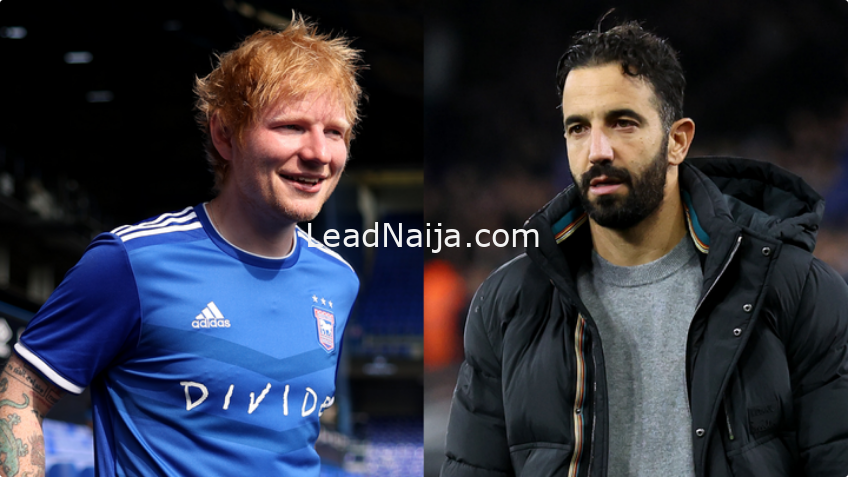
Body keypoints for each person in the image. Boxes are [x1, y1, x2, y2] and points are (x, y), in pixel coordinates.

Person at [441, 21, 848, 477]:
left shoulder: (799, 291)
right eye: (578, 128)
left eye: (623, 123)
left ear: (678, 141)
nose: (597, 150)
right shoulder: (507, 305)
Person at [0, 15, 363, 476]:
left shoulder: (339, 280)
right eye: (291, 126)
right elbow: (21, 391)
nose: (319, 153)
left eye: (335, 132)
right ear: (224, 134)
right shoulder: (132, 263)